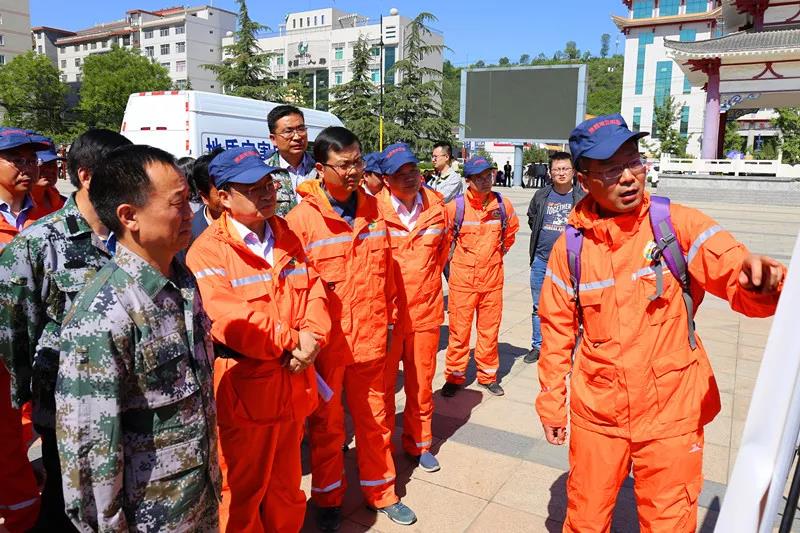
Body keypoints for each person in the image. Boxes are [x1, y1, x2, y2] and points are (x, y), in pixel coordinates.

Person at [535, 114, 787, 532]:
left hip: (672, 411)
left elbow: (733, 272)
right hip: (599, 414)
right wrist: (550, 403)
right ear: (584, 181)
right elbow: (556, 331)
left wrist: (760, 282)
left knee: (670, 522)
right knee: (585, 519)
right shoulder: (571, 249)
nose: (628, 177)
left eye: (633, 161)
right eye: (611, 169)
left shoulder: (677, 225)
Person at [56, 144, 221, 531]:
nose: (190, 213)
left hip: (198, 498)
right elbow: (88, 454)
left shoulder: (181, 282)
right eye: (177, 204)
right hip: (148, 518)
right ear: (129, 216)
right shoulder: (102, 315)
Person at [187, 147, 330, 531]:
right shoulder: (207, 251)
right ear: (223, 196)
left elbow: (314, 290)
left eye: (268, 183)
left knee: (287, 487)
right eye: (253, 188)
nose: (267, 193)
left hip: (293, 385)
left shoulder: (286, 234)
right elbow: (229, 317)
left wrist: (314, 336)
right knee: (241, 493)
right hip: (247, 393)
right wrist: (293, 342)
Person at [0, 129, 131, 533]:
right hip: (65, 400)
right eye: (122, 172)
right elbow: (14, 332)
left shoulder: (134, 233)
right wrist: (30, 395)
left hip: (129, 397)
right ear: (87, 176)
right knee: (69, 501)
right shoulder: (38, 242)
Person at [286, 127, 417, 530]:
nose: (354, 171)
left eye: (358, 162)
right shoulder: (301, 221)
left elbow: (388, 275)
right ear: (321, 169)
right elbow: (295, 291)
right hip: (328, 348)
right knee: (327, 427)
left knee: (376, 420)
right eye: (343, 165)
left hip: (372, 339)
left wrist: (390, 321)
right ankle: (328, 499)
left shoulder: (375, 210)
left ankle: (383, 492)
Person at [377, 143, 449, 474]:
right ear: (385, 179)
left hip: (425, 312)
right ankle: (380, 450)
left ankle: (419, 445)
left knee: (421, 384)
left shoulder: (437, 208)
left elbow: (441, 254)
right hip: (387, 318)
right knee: (382, 389)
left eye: (414, 171)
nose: (410, 178)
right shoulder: (373, 212)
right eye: (400, 173)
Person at [0, 127, 50, 533]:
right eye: (15, 159)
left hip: (41, 351)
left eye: (31, 159)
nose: (27, 167)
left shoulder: (48, 217)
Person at [442, 156, 519, 398]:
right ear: (468, 181)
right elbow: (444, 241)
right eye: (479, 178)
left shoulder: (503, 205)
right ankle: (454, 377)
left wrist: (495, 256)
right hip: (462, 282)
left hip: (492, 281)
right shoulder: (456, 208)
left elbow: (510, 235)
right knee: (459, 332)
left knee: (489, 331)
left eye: (488, 176)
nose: (486, 181)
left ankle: (487, 376)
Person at [524, 152, 585, 364]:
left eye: (565, 169)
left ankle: (567, 346)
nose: (561, 173)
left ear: (573, 171)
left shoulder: (582, 197)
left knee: (571, 307)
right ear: (550, 172)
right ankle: (538, 345)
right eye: (557, 169)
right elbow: (532, 219)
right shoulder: (541, 195)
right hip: (541, 260)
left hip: (571, 263)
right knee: (538, 306)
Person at [267, 104, 317, 216]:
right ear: (273, 139)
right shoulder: (264, 173)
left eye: (301, 129)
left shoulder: (321, 168)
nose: (297, 137)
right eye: (288, 131)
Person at [190, 146, 226, 243]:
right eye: (221, 192)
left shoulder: (251, 222)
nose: (230, 196)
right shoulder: (190, 232)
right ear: (204, 197)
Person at [30, 136, 66, 218]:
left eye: (53, 163)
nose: (49, 169)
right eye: (42, 164)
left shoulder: (63, 203)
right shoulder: (16, 208)